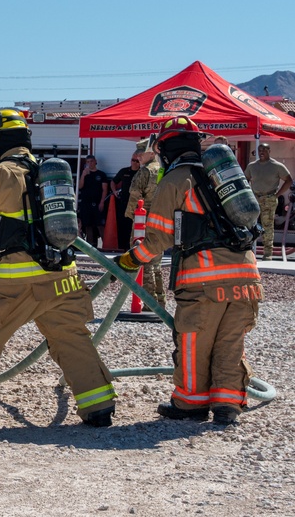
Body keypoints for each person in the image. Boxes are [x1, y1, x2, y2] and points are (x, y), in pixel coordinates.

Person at [0, 109, 116, 428]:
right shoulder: (47, 171)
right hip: (63, 278)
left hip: (14, 282)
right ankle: (99, 406)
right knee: (71, 338)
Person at [118, 116, 261, 425]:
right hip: (247, 277)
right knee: (230, 343)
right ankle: (228, 406)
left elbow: (158, 238)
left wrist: (130, 260)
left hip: (204, 282)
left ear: (166, 149)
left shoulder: (175, 180)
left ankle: (191, 404)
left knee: (195, 342)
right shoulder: (221, 176)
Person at [125, 137, 166, 307]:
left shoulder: (144, 172)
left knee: (143, 259)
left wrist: (131, 217)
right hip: (160, 220)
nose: (138, 157)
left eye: (140, 154)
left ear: (150, 153)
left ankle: (149, 302)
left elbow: (135, 196)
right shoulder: (163, 170)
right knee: (156, 262)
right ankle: (160, 299)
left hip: (143, 220)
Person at [244, 143, 292, 261]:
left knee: (268, 226)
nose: (262, 152)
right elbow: (245, 180)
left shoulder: (277, 166)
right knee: (249, 224)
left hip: (269, 199)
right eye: (260, 150)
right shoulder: (252, 166)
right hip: (254, 198)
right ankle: (247, 251)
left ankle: (267, 253)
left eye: (264, 150)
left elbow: (289, 180)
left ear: (269, 151)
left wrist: (278, 194)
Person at [110, 148, 141, 251]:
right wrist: (114, 191)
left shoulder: (142, 173)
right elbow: (113, 181)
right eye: (133, 160)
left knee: (133, 226)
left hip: (136, 204)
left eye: (137, 161)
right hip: (124, 202)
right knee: (122, 225)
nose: (134, 163)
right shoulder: (124, 171)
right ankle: (122, 247)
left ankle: (131, 247)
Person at [77, 154, 109, 248]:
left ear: (95, 162)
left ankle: (106, 245)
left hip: (98, 202)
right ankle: (90, 247)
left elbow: (105, 189)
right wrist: (83, 175)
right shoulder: (84, 174)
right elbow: (79, 187)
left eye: (91, 161)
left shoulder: (101, 174)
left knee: (100, 225)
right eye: (87, 162)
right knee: (88, 225)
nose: (90, 163)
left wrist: (102, 202)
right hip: (86, 203)